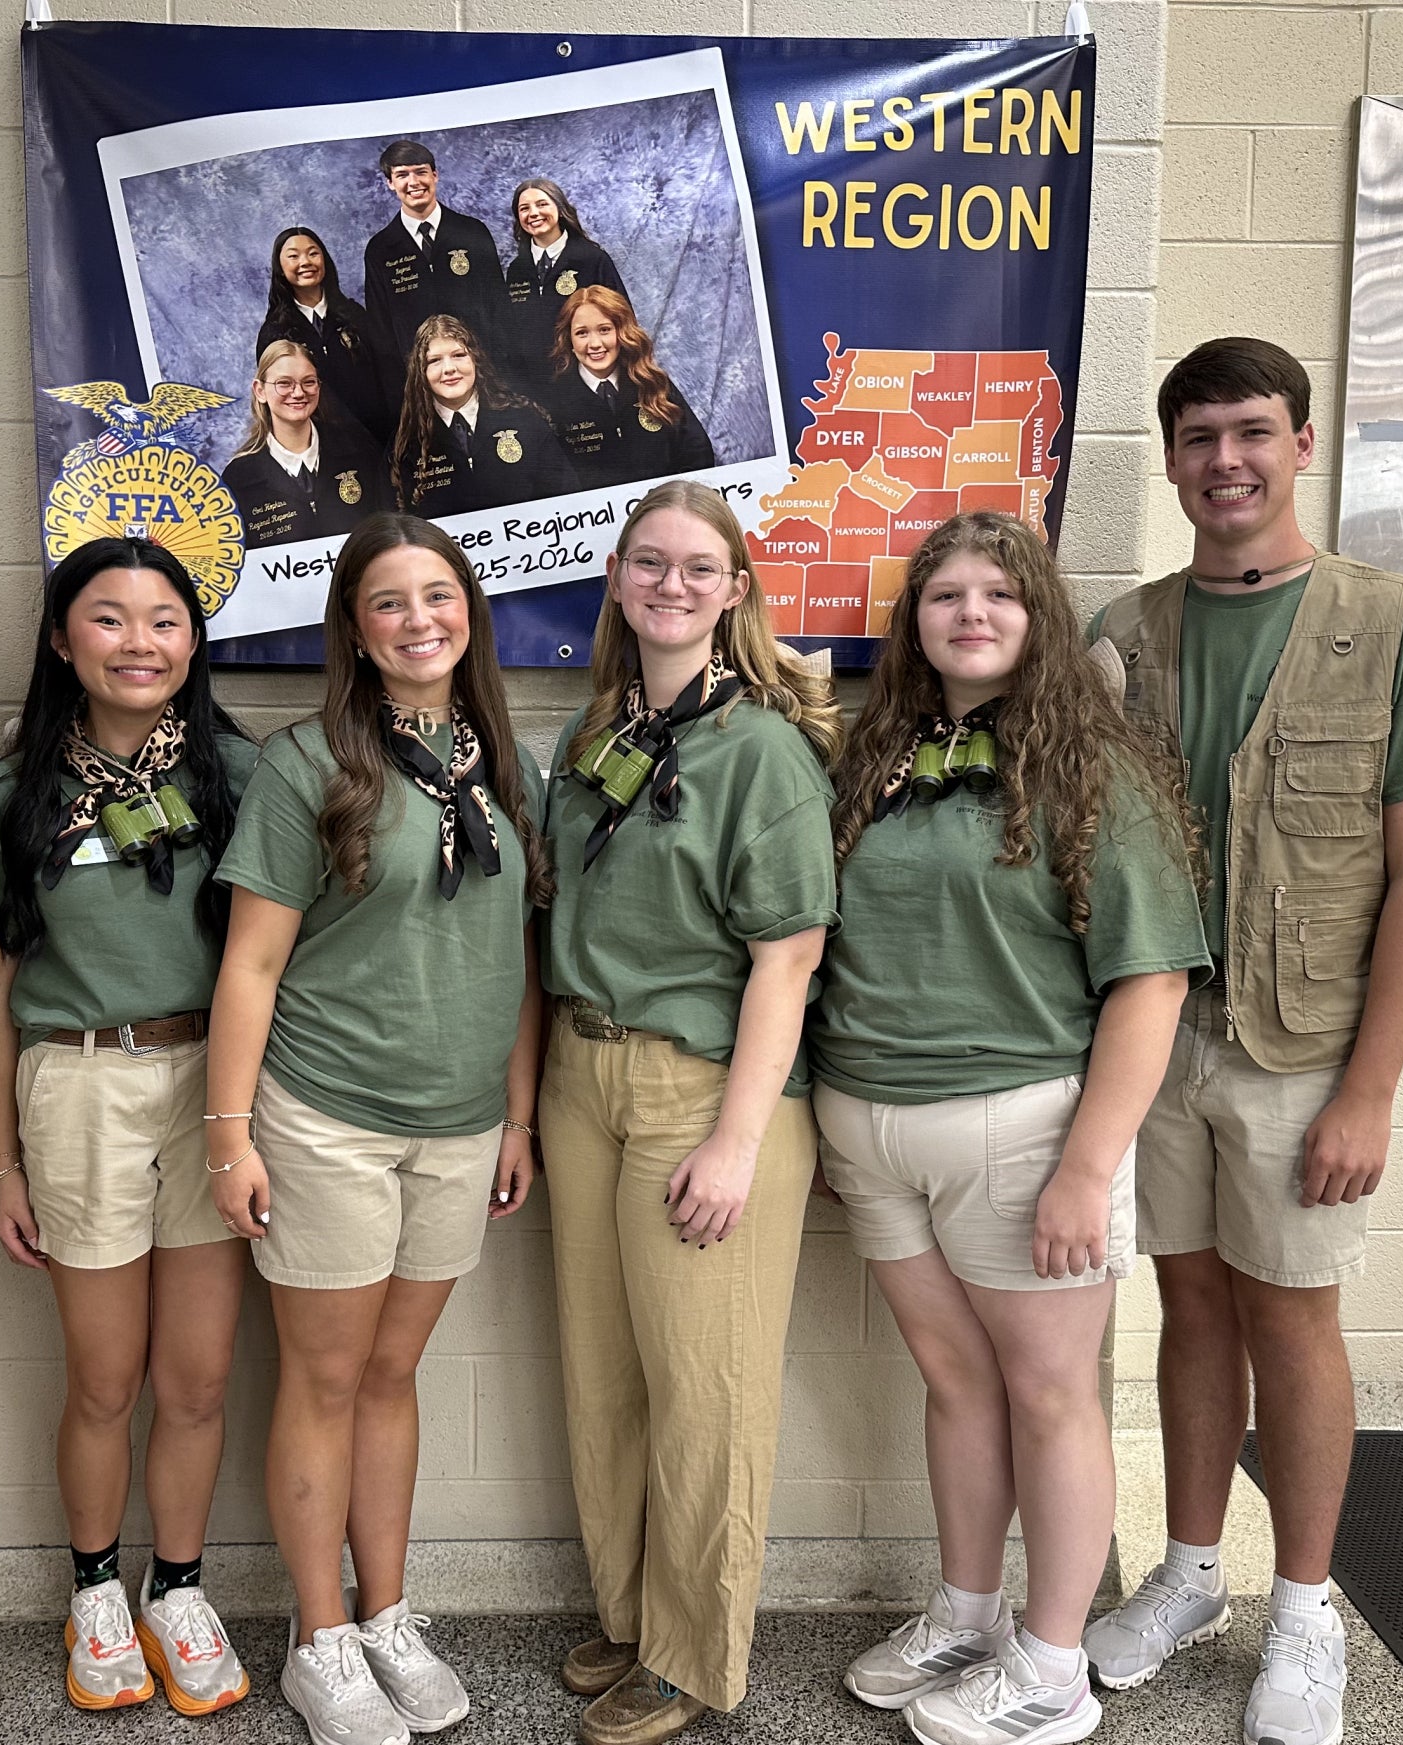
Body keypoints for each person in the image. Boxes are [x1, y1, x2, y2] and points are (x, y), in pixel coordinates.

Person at [1082, 337, 1403, 1745]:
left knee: (1292, 1316)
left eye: (1252, 432)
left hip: (1301, 1053)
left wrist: (1368, 1090)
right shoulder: (1130, 635)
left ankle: (1305, 1608)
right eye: (1199, 438)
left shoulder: (1390, 625)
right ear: (1172, 458)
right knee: (1191, 1306)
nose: (1226, 462)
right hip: (1163, 1044)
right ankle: (1191, 1572)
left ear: (1302, 443)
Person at [814, 511, 1209, 1745]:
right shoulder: (872, 755)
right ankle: (970, 1611)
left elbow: (1150, 981)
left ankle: (1049, 1667)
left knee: (1050, 1395)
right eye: (945, 594)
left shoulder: (1096, 767)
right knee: (954, 1382)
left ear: (1037, 615)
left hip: (1024, 1124)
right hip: (870, 1117)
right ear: (913, 619)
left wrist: (1086, 1167)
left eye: (998, 593)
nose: (970, 613)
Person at [205, 513, 550, 1745]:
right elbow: (250, 963)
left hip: (457, 1126)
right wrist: (230, 1132)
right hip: (327, 1117)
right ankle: (321, 1635)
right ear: (353, 625)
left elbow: (517, 953)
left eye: (438, 595)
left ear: (471, 611)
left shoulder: (506, 762)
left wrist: (516, 1112)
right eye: (389, 601)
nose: (419, 619)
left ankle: (388, 1609)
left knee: (394, 1373)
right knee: (324, 1372)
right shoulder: (308, 765)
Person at [539, 479, 841, 1745]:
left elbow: (790, 954)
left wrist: (733, 1137)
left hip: (702, 1092)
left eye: (698, 567)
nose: (670, 582)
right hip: (577, 1078)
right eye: (648, 562)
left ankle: (694, 1652)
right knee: (604, 1378)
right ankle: (631, 1612)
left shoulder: (759, 747)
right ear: (617, 581)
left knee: (704, 1390)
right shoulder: (588, 733)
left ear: (734, 592)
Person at [0, 537, 257, 1717]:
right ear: (58, 639)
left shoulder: (243, 774)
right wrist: (1, 1162)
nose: (140, 643)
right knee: (105, 1375)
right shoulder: (7, 795)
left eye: (165, 621)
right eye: (109, 619)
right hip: (76, 1086)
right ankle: (95, 1589)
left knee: (195, 1376)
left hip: (216, 1091)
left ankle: (174, 1586)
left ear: (195, 642)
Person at [391, 313, 576, 516]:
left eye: (459, 355)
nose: (449, 368)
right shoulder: (405, 445)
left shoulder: (526, 420)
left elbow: (567, 500)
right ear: (420, 372)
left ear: (475, 359)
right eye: (434, 360)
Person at [544, 287, 715, 491]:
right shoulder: (554, 402)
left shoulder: (653, 383)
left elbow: (698, 452)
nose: (595, 343)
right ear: (569, 340)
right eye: (582, 333)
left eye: (604, 330)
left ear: (622, 332)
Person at [224, 341, 390, 550]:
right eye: (284, 383)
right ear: (260, 390)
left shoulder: (361, 452)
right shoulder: (238, 478)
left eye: (308, 382)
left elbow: (389, 531)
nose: (298, 393)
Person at [362, 140, 511, 366]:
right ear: (390, 183)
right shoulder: (380, 249)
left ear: (435, 175)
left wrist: (500, 369)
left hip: (481, 368)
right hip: (418, 374)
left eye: (421, 172)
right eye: (402, 175)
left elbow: (498, 307)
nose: (413, 182)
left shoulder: (472, 232)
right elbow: (381, 331)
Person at [257, 225, 399, 445]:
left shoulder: (355, 317)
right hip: (317, 446)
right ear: (280, 268)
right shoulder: (276, 332)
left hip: (377, 439)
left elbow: (387, 375)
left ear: (325, 260)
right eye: (293, 256)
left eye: (313, 253)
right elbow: (276, 400)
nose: (305, 262)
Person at [500, 178, 628, 390]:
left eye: (542, 204)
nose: (533, 213)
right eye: (524, 208)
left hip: (584, 379)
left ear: (560, 209)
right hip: (534, 383)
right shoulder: (517, 269)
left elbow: (622, 319)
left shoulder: (592, 259)